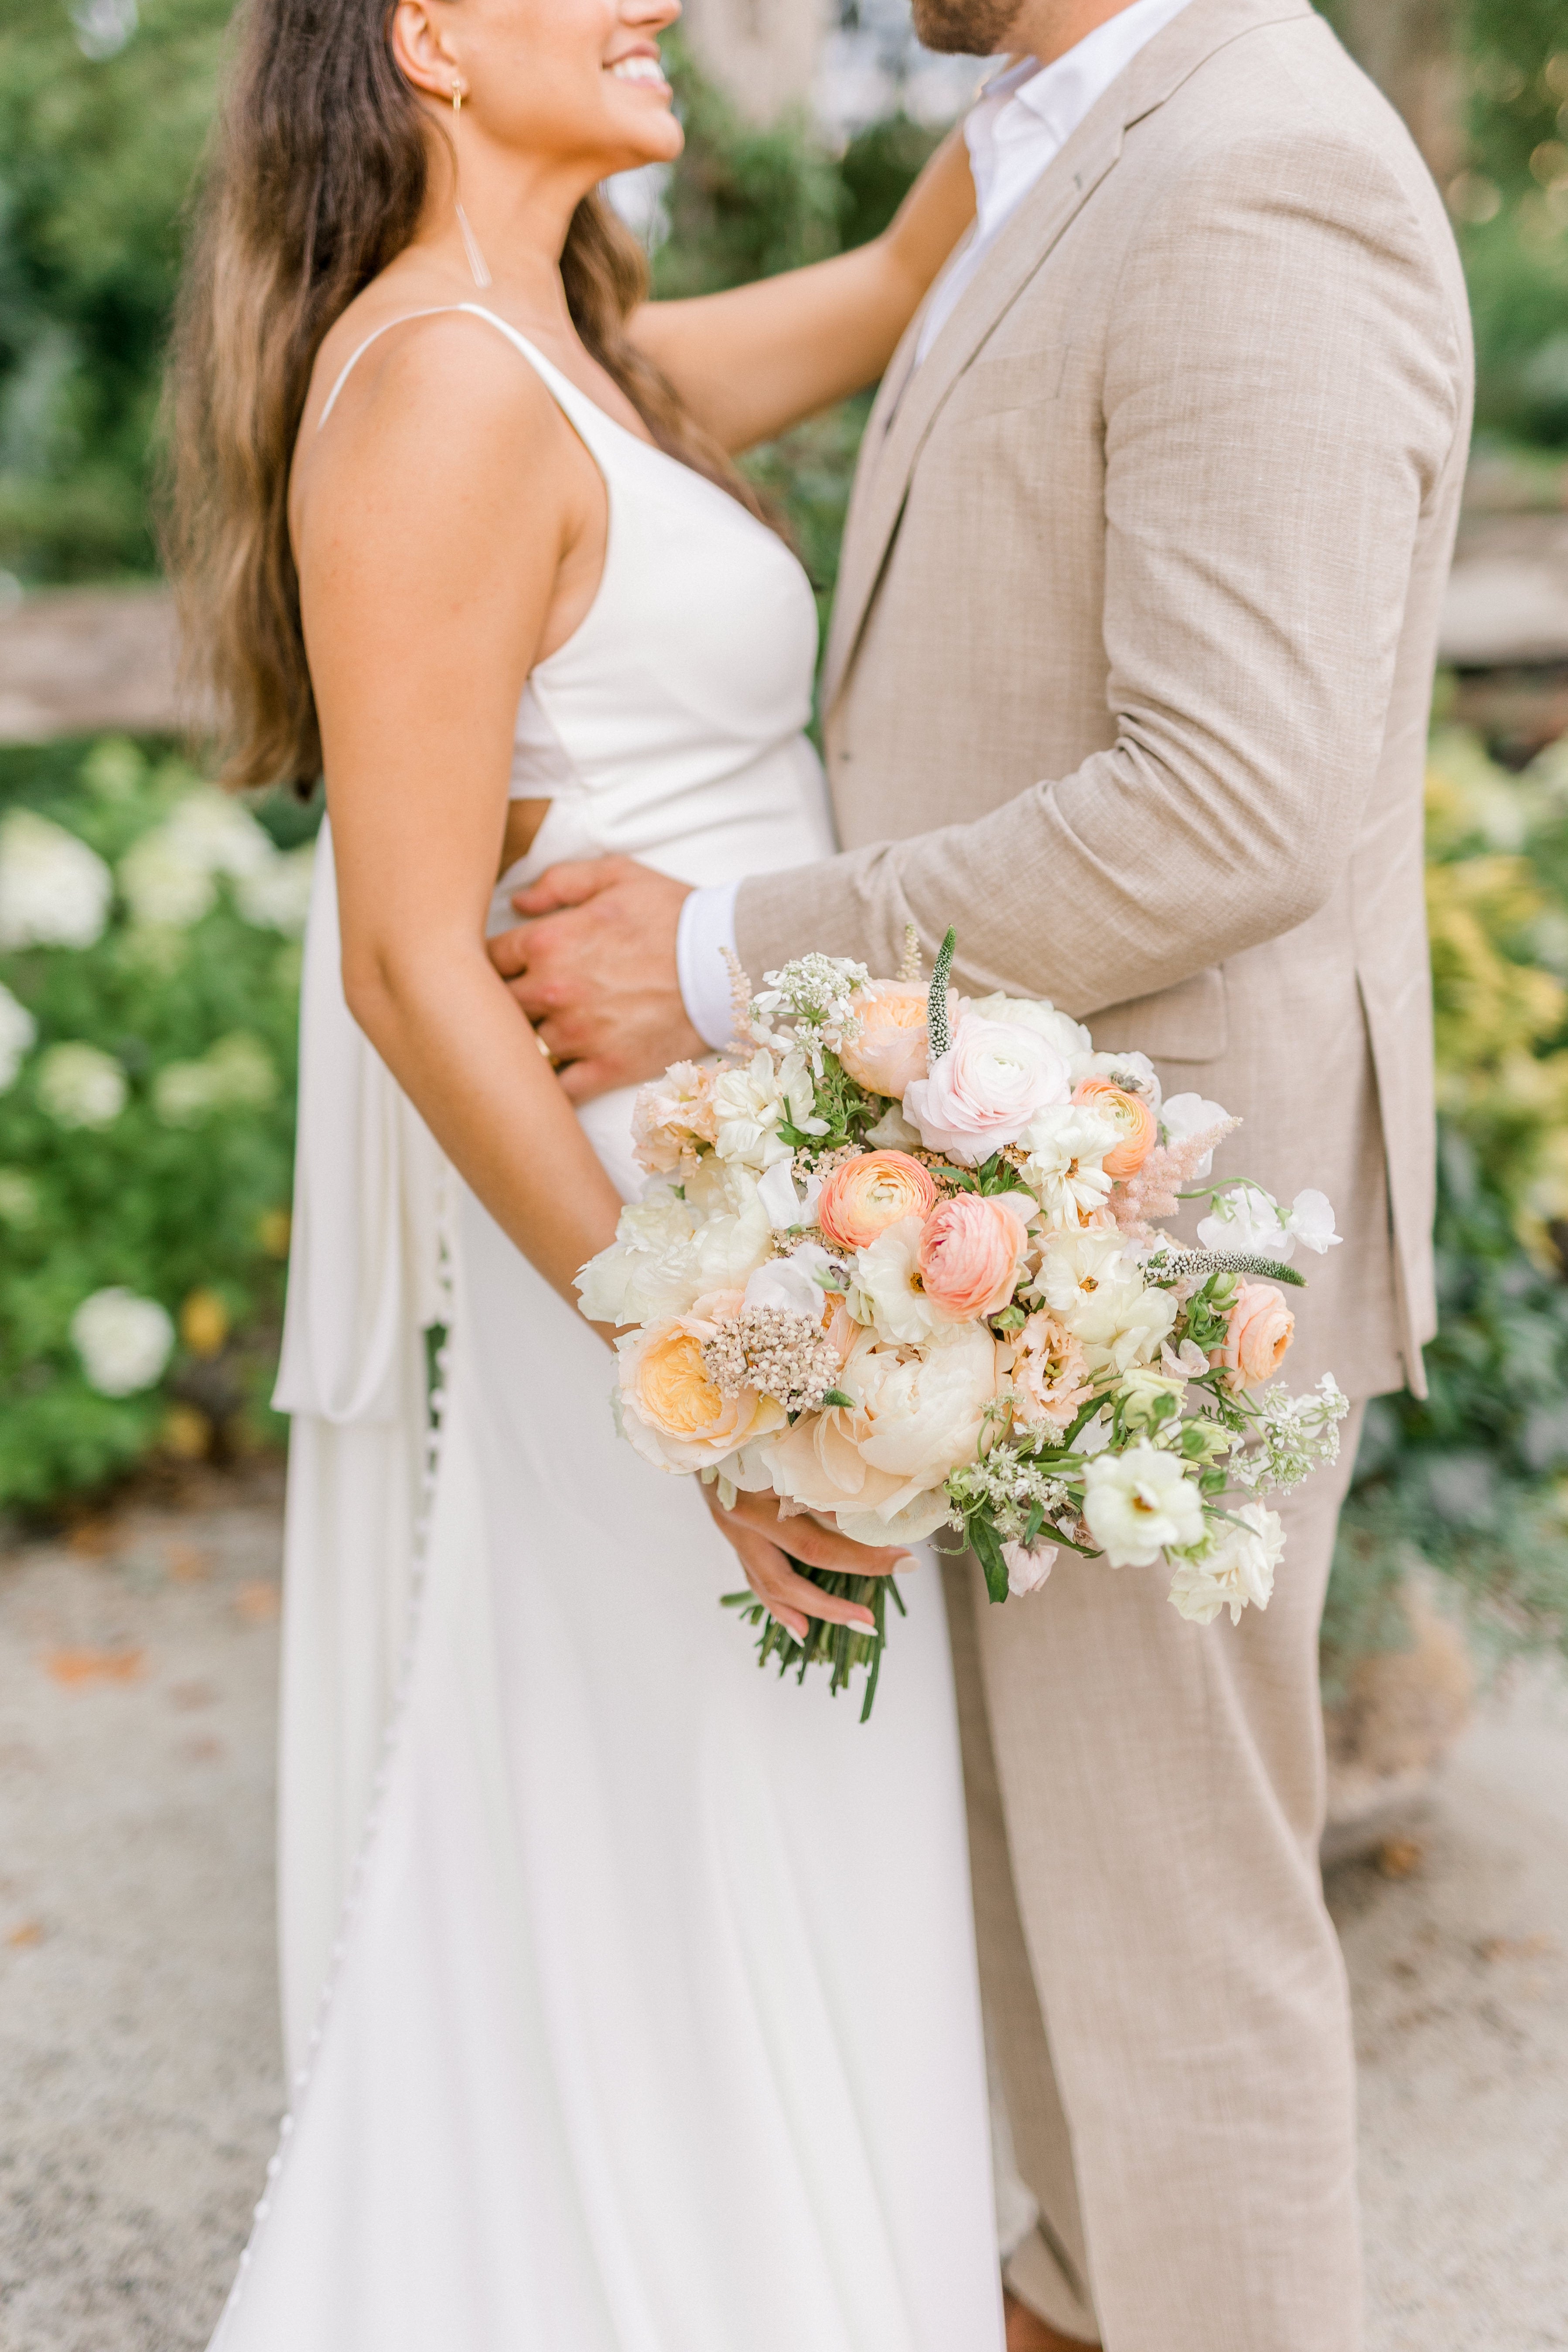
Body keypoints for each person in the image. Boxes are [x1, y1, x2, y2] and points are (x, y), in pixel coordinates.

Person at [489, 0, 1475, 2346]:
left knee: (1173, 1957)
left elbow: (1230, 803)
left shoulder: (1263, 166)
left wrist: (724, 955)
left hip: (1163, 1221)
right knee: (1056, 1938)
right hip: (1005, 1201)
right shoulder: (1048, 141)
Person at [167, 2, 1008, 2345]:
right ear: (431, 37)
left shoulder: (575, 359)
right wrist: (689, 1367)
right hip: (643, 1243)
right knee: (700, 1837)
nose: (648, 0)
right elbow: (414, 964)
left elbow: (896, 274)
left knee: (772, 1831)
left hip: (756, 1205)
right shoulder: (432, 388)